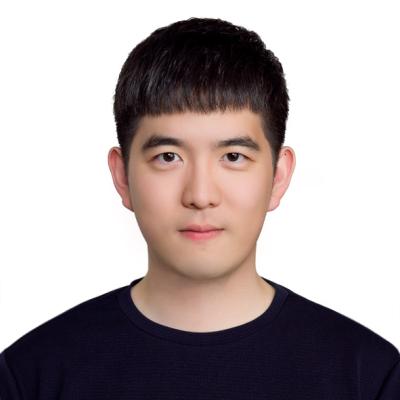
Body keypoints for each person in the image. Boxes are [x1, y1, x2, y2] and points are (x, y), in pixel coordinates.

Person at [0, 17, 398, 399]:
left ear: (278, 177)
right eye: (168, 157)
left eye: (234, 156)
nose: (201, 194)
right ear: (123, 176)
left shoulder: (370, 376)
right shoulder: (30, 376)